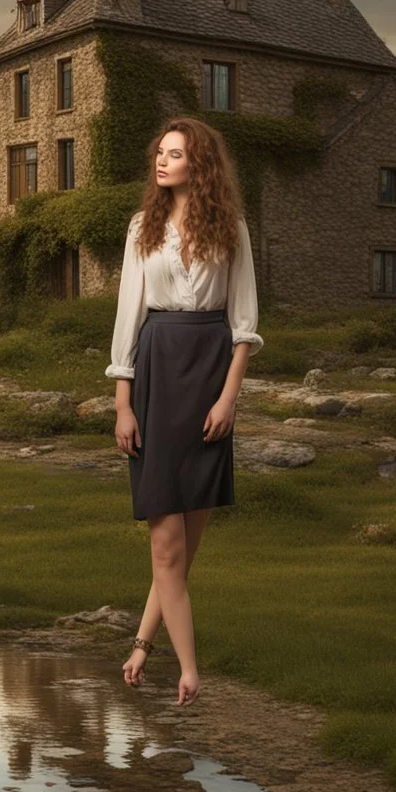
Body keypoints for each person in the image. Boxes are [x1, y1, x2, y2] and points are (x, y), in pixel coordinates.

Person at [105, 116, 264, 709]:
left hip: (209, 373)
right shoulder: (141, 227)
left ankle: (143, 645)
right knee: (165, 543)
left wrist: (228, 399)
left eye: (175, 154)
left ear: (200, 164)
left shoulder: (233, 229)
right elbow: (128, 316)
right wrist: (123, 403)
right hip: (156, 371)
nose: (162, 161)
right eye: (160, 153)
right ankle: (190, 671)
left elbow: (244, 326)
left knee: (182, 548)